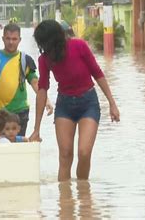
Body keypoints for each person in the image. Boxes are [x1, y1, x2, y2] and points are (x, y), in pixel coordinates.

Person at [30, 20, 120, 182]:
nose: (46, 48)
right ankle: (65, 202)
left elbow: (97, 73)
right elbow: (42, 89)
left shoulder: (79, 46)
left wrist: (112, 104)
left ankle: (83, 193)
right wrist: (36, 128)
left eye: (47, 43)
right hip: (64, 105)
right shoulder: (45, 59)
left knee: (84, 152)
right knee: (65, 155)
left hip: (88, 103)